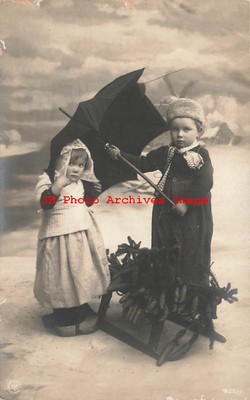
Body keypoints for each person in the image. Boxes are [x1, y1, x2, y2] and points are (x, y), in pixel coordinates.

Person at [106, 97, 226, 343]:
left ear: (199, 130)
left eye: (187, 129)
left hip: (192, 213)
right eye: (175, 128)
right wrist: (119, 155)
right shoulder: (165, 153)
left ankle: (192, 305)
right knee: (165, 249)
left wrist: (187, 202)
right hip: (164, 210)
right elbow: (141, 163)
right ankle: (165, 301)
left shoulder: (200, 155)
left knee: (189, 252)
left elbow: (205, 182)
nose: (180, 134)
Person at [34, 139, 110, 337]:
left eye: (81, 165)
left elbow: (83, 203)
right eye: (72, 163)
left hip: (81, 233)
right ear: (61, 160)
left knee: (81, 269)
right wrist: (57, 185)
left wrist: (93, 194)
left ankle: (79, 304)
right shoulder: (49, 178)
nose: (76, 169)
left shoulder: (79, 183)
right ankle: (64, 316)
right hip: (58, 237)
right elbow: (46, 203)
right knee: (62, 274)